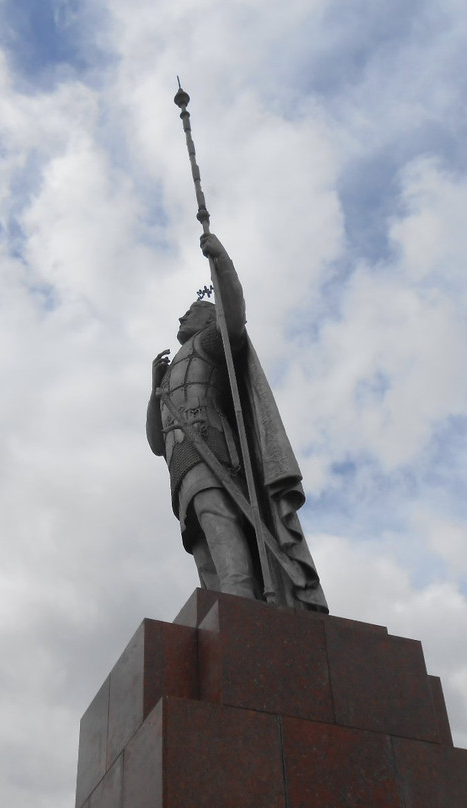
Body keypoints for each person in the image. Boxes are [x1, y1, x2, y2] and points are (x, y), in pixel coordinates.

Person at [146, 233, 328, 612]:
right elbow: (154, 443)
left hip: (212, 452)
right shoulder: (166, 376)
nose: (182, 316)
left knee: (221, 526)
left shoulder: (211, 342)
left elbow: (234, 313)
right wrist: (153, 390)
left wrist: (222, 262)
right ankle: (220, 617)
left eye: (192, 310)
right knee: (203, 552)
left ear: (209, 319)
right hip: (181, 469)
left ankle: (240, 610)